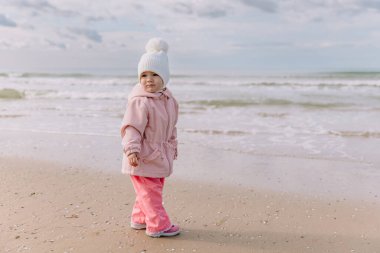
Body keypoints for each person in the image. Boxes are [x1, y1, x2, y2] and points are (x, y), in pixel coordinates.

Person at [120, 38, 180, 238]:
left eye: (155, 74)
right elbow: (132, 128)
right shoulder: (140, 102)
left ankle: (139, 218)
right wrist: (132, 150)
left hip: (160, 154)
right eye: (144, 75)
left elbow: (171, 127)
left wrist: (173, 147)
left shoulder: (169, 100)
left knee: (150, 189)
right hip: (142, 155)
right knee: (151, 191)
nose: (149, 79)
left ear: (165, 77)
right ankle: (158, 225)